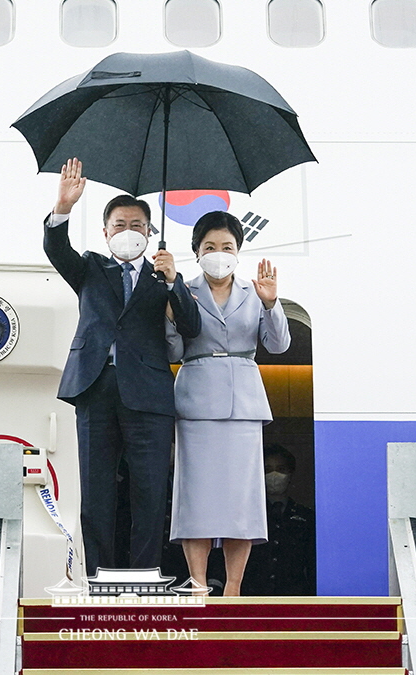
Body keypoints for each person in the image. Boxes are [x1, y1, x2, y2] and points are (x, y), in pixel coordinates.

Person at [44, 158, 202, 576]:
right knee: (95, 492)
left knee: (149, 491)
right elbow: (55, 249)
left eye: (136, 224)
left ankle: (144, 575)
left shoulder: (162, 273)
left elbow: (191, 326)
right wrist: (62, 207)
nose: (127, 230)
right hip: (95, 387)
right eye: (118, 224)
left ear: (149, 233)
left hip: (148, 395)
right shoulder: (91, 267)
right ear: (105, 231)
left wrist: (173, 282)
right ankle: (97, 576)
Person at [166, 210, 291, 596]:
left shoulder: (254, 293)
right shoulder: (182, 292)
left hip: (244, 402)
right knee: (196, 497)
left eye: (227, 247)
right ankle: (199, 585)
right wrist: (169, 316)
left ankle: (233, 587)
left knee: (242, 501)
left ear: (238, 251)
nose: (218, 253)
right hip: (196, 399)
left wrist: (271, 304)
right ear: (196, 251)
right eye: (210, 247)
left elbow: (278, 344)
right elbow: (171, 350)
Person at [242, 444, 317, 596]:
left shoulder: (306, 516)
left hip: (294, 596)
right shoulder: (246, 514)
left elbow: (313, 563)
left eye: (281, 469)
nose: (274, 475)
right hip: (252, 594)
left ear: (291, 474)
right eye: (267, 470)